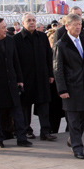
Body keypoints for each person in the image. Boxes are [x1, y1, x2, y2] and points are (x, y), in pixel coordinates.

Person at [0, 18, 32, 148]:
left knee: (18, 112)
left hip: (12, 83)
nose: (5, 29)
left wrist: (20, 80)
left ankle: (21, 137)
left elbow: (16, 61)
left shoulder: (10, 40)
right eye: (3, 27)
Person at [53, 13, 84, 159]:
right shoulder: (61, 44)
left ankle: (73, 139)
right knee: (73, 119)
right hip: (71, 88)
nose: (78, 27)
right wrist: (62, 89)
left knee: (83, 117)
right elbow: (58, 69)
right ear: (67, 26)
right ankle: (78, 148)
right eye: (75, 24)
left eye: (80, 25)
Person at [13, 13, 56, 141]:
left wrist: (50, 74)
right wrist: (18, 79)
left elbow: (49, 56)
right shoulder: (16, 39)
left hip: (42, 77)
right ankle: (26, 130)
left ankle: (45, 131)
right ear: (23, 23)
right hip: (26, 78)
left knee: (44, 105)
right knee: (25, 106)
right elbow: (15, 61)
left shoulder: (42, 37)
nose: (32, 22)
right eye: (29, 20)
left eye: (33, 20)